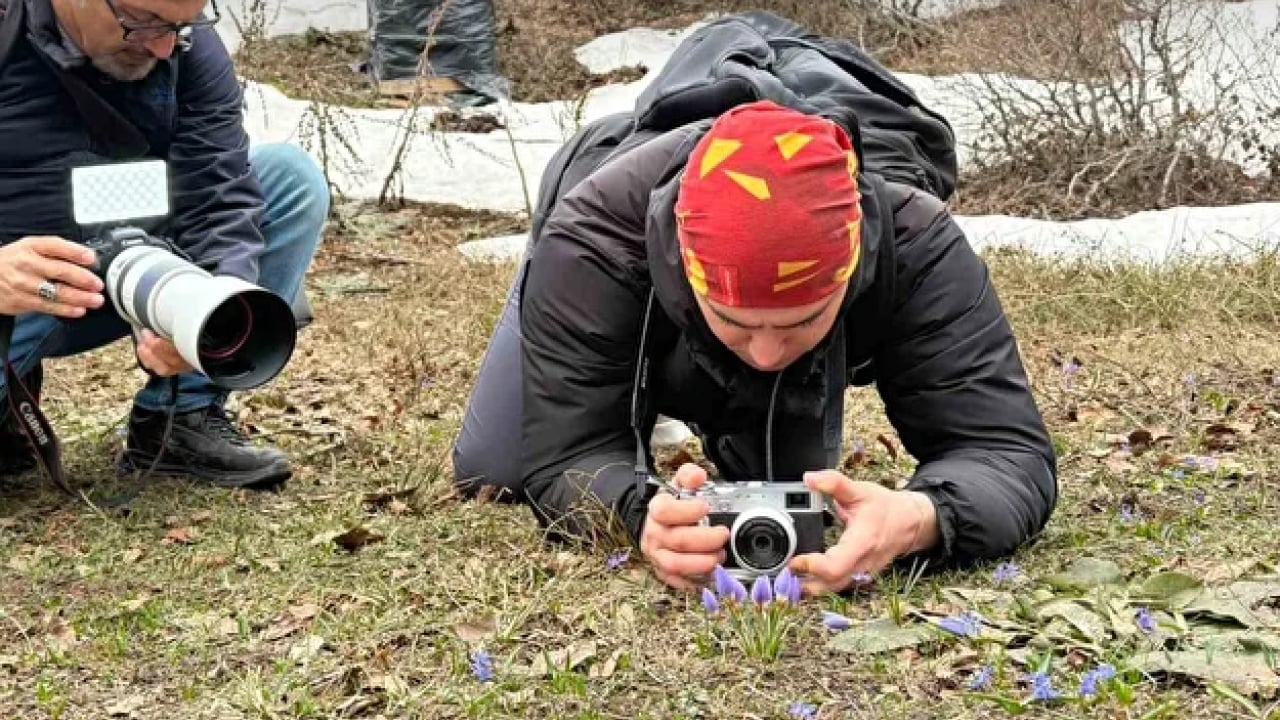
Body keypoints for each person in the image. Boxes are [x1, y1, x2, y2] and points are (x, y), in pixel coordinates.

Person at [451, 12, 1058, 597]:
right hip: (601, 231)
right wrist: (638, 516)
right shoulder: (593, 242)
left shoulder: (917, 243)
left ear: (852, 270)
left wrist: (921, 517)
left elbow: (1005, 452)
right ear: (684, 272)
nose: (768, 352)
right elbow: (567, 453)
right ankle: (654, 377)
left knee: (781, 489)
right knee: (495, 468)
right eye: (737, 322)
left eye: (802, 320)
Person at [0, 0, 327, 487]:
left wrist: (215, 306)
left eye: (181, 24)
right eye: (145, 22)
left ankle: (181, 420)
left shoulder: (185, 43)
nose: (165, 46)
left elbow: (219, 190)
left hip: (126, 265)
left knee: (287, 179)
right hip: (20, 287)